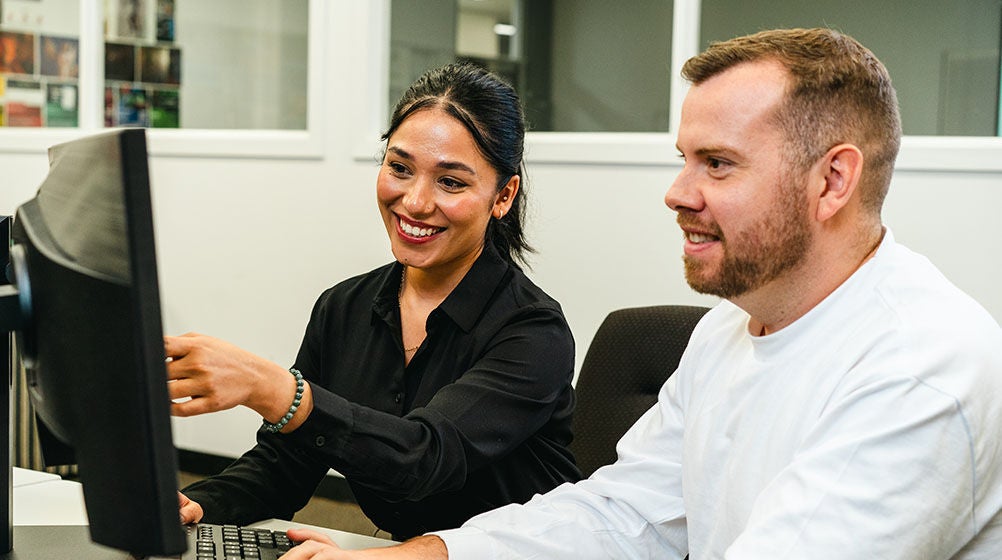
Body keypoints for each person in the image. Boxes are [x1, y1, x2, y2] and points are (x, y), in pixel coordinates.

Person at [282, 27, 1002, 559]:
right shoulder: (727, 332)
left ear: (833, 181)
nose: (677, 193)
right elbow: (625, 513)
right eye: (684, 159)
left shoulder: (922, 368)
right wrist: (425, 555)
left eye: (718, 164)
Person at [167, 62, 580, 541]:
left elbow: (425, 458)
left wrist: (274, 389)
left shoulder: (534, 331)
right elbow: (286, 464)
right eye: (399, 168)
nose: (415, 202)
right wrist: (197, 505)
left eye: (450, 181)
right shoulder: (343, 307)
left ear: (503, 196)